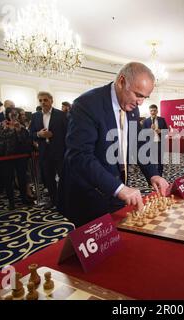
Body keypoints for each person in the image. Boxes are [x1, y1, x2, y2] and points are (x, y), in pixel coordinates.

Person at [60, 62, 169, 227]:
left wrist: (153, 174)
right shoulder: (86, 104)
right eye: (138, 95)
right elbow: (79, 156)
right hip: (89, 194)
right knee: (95, 247)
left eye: (145, 97)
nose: (140, 103)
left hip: (116, 190)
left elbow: (138, 144)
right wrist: (119, 188)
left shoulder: (132, 108)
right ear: (121, 81)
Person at [29, 92, 67, 209]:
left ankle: (66, 200)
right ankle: (54, 201)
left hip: (60, 152)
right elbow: (30, 134)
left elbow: (68, 133)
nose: (42, 103)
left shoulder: (62, 115)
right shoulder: (35, 116)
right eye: (40, 100)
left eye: (45, 100)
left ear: (51, 100)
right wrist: (39, 134)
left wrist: (53, 136)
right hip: (44, 153)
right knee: (49, 179)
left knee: (64, 178)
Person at [0, 107, 33, 209]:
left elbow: (24, 140)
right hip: (6, 155)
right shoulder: (2, 124)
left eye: (16, 114)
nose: (14, 116)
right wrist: (9, 129)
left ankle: (24, 198)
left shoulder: (21, 125)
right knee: (8, 179)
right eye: (12, 114)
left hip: (20, 156)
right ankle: (11, 202)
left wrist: (19, 130)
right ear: (7, 114)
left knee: (22, 177)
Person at [142, 104, 168, 176]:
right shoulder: (146, 121)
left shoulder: (162, 120)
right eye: (151, 111)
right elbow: (143, 134)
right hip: (150, 144)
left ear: (157, 111)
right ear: (149, 111)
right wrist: (150, 130)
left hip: (160, 143)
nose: (153, 112)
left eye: (154, 110)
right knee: (152, 161)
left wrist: (160, 131)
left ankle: (160, 175)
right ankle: (153, 176)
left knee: (160, 161)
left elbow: (166, 131)